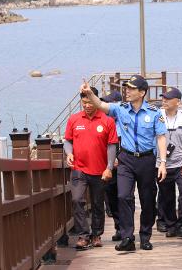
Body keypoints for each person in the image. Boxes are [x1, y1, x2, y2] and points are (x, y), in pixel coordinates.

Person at [80, 75, 167, 252]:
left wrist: (163, 162)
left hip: (147, 159)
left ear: (142, 92)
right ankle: (127, 237)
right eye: (126, 87)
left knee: (147, 199)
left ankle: (145, 236)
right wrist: (90, 93)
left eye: (131, 88)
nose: (127, 90)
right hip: (126, 158)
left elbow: (161, 138)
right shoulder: (121, 109)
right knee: (123, 196)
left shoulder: (154, 112)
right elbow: (102, 106)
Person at [64, 86, 119, 250]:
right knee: (77, 200)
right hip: (79, 168)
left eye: (90, 102)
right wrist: (68, 153)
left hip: (99, 170)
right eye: (84, 102)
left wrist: (109, 167)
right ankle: (83, 235)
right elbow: (68, 140)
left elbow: (111, 146)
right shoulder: (74, 119)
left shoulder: (107, 120)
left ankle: (96, 234)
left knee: (97, 203)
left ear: (96, 101)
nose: (87, 105)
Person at [156, 87, 182, 237]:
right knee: (166, 195)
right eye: (163, 97)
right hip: (162, 164)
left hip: (181, 164)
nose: (164, 100)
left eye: (168, 98)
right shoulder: (157, 116)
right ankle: (171, 225)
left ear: (177, 101)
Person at [100, 90, 123, 241]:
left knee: (125, 196)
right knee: (112, 197)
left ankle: (127, 228)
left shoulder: (124, 120)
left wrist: (119, 158)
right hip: (108, 167)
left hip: (124, 165)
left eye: (110, 103)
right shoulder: (104, 121)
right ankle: (119, 227)